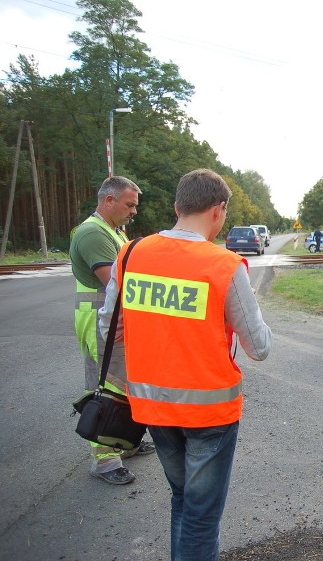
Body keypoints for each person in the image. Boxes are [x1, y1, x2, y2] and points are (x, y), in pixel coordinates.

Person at [98, 168, 272, 560]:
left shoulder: (132, 253)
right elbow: (258, 347)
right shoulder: (224, 265)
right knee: (201, 516)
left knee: (182, 499)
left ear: (178, 206)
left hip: (153, 408)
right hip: (209, 412)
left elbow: (110, 325)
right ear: (219, 210)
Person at [69, 175, 154, 485]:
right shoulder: (93, 233)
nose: (133, 211)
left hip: (113, 315)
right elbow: (117, 283)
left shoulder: (112, 230)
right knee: (105, 386)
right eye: (129, 205)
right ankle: (104, 460)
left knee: (123, 383)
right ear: (109, 200)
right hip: (97, 317)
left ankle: (121, 442)